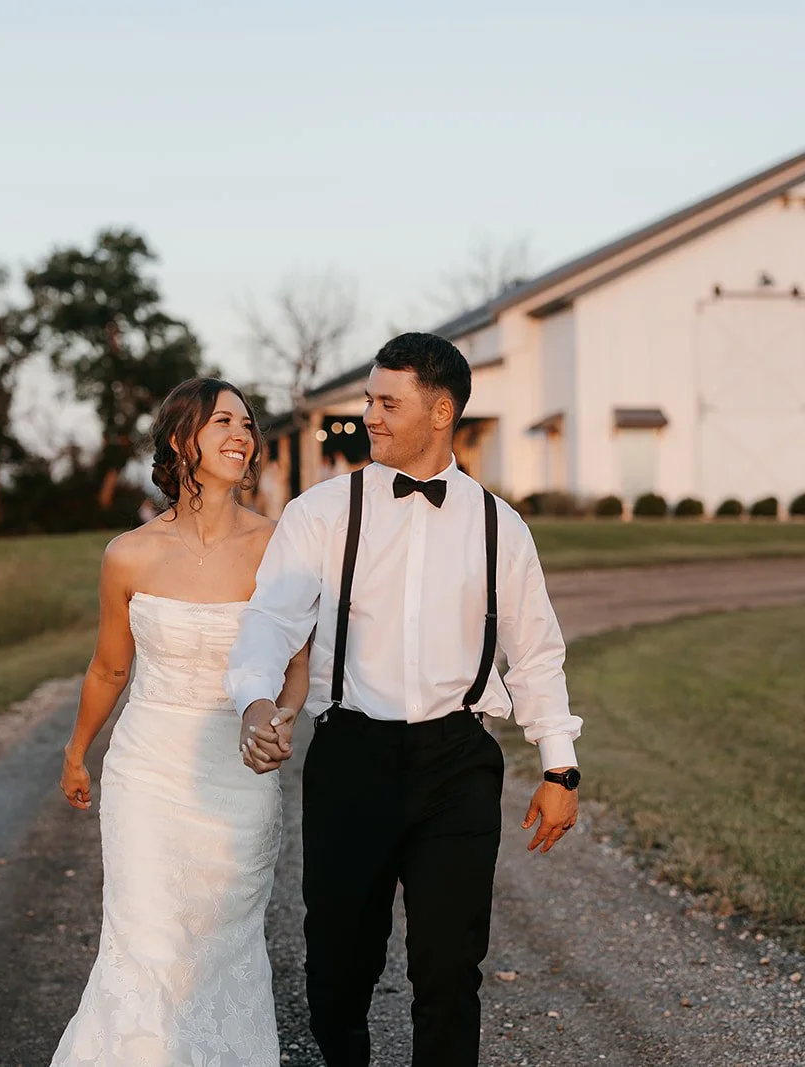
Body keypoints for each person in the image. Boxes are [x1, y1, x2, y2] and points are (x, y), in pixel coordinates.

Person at [226, 332, 583, 1067]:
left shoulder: (501, 527)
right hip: (352, 756)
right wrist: (257, 700)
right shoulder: (321, 513)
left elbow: (537, 651)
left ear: (441, 410)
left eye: (387, 402)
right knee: (338, 969)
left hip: (457, 764)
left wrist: (560, 768)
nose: (370, 417)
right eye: (368, 401)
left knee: (450, 972)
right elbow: (271, 621)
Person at [51, 377, 309, 1067]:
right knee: (146, 941)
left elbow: (296, 665)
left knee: (220, 942)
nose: (242, 435)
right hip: (147, 771)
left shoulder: (280, 545)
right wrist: (77, 750)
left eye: (248, 424)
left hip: (237, 775)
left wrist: (279, 721)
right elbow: (109, 668)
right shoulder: (128, 554)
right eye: (223, 420)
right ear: (178, 439)